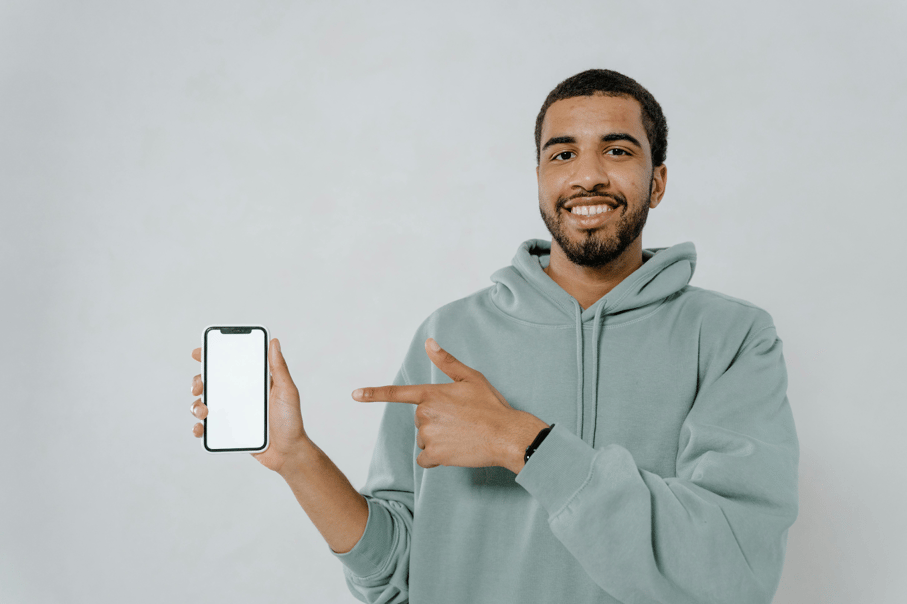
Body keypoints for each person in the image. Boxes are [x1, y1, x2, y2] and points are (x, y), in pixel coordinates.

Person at [189, 69, 799, 604]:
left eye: (616, 150)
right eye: (562, 154)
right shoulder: (449, 335)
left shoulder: (733, 337)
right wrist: (298, 460)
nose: (587, 175)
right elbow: (398, 572)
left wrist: (521, 442)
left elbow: (735, 570)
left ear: (657, 181)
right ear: (538, 178)